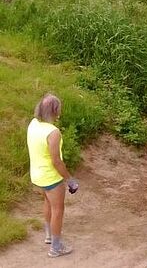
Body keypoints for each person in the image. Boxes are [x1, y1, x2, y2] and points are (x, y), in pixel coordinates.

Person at [27, 94, 78, 258]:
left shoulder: (33, 124)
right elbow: (56, 161)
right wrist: (70, 180)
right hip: (50, 177)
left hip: (37, 175)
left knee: (47, 201)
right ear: (55, 111)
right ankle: (56, 248)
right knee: (58, 209)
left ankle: (49, 236)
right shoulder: (53, 132)